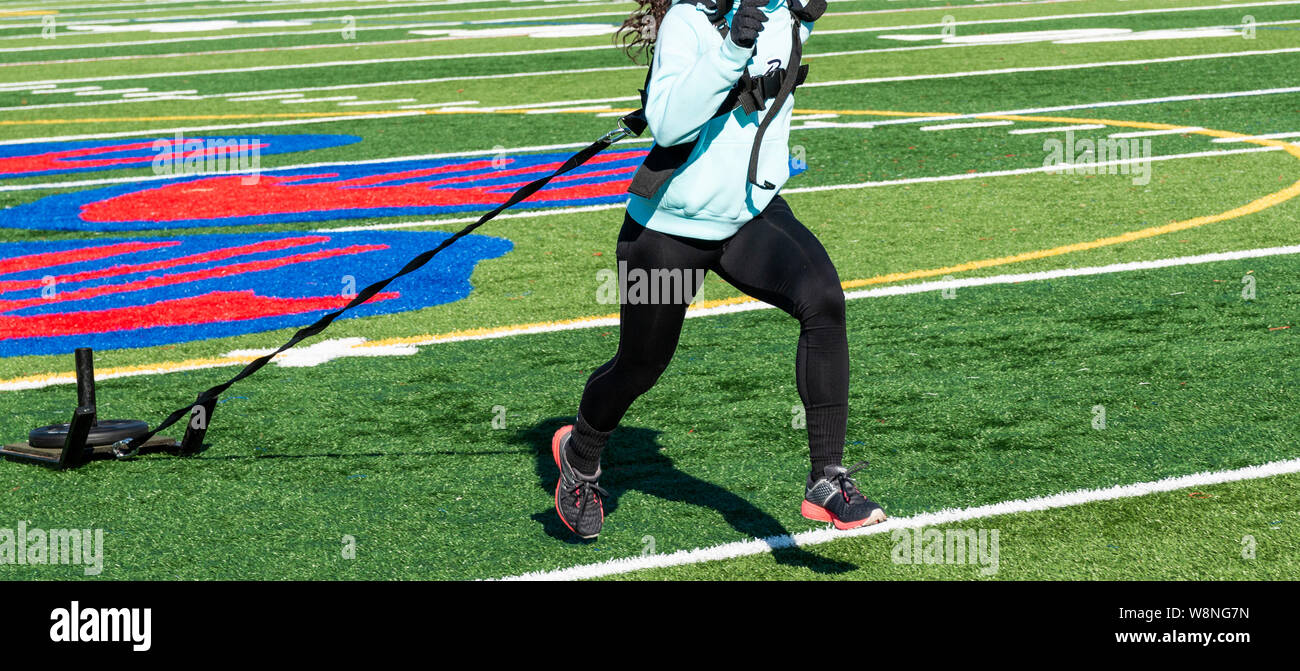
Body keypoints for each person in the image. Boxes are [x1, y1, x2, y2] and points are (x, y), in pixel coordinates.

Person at [551, 0, 886, 539]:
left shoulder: (789, 14)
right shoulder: (690, 20)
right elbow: (665, 125)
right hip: (668, 229)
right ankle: (581, 450)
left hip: (749, 216)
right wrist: (731, 51)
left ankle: (826, 480)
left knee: (823, 299)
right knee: (641, 366)